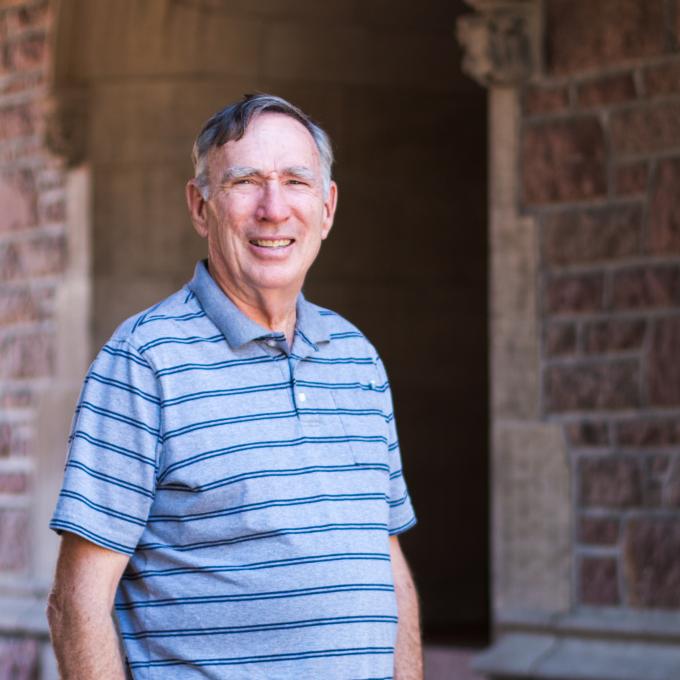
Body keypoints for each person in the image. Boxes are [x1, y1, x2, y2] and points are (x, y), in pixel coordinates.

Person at [47, 93, 421, 679]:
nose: (274, 209)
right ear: (200, 207)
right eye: (246, 181)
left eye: (297, 182)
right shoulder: (145, 362)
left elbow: (387, 563)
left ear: (327, 207)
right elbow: (78, 603)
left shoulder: (358, 360)